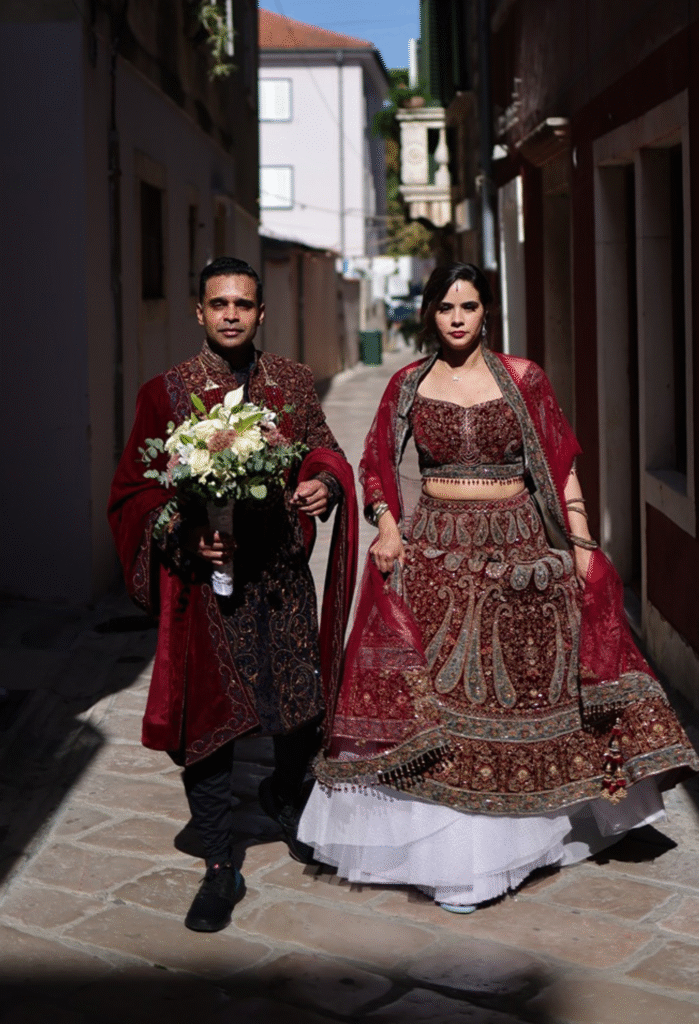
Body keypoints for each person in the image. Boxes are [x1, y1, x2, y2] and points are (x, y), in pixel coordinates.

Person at [299, 262, 699, 912]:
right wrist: (387, 526)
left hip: (517, 551)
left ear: (486, 311)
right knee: (444, 704)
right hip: (434, 554)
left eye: (469, 306)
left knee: (518, 697)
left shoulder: (522, 378)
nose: (457, 318)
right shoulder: (407, 383)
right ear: (429, 313)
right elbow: (375, 463)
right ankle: (447, 852)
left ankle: (514, 843)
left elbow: (559, 460)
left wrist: (578, 543)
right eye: (445, 307)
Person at [109, 256, 357, 932]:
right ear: (198, 311)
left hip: (277, 578)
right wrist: (184, 535)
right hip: (204, 594)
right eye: (217, 303)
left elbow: (324, 449)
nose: (229, 314)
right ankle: (219, 860)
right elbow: (134, 491)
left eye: (242, 304)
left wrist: (324, 483)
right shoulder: (166, 393)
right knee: (207, 725)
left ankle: (285, 793)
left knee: (295, 708)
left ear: (259, 313)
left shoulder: (293, 384)